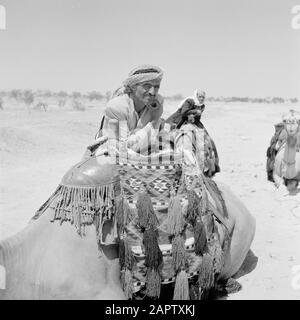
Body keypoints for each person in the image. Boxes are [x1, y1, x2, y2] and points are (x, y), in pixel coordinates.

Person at [86, 65, 165, 157]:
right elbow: (128, 148)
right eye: (147, 86)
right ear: (133, 87)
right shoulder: (117, 107)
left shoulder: (157, 102)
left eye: (156, 87)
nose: (153, 92)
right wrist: (155, 121)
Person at [166, 89, 220, 176]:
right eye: (200, 97)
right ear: (196, 96)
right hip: (180, 120)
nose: (201, 98)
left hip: (193, 122)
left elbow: (198, 117)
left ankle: (211, 165)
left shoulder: (202, 106)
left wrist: (195, 117)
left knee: (207, 139)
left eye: (203, 97)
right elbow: (184, 112)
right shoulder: (189, 101)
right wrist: (194, 112)